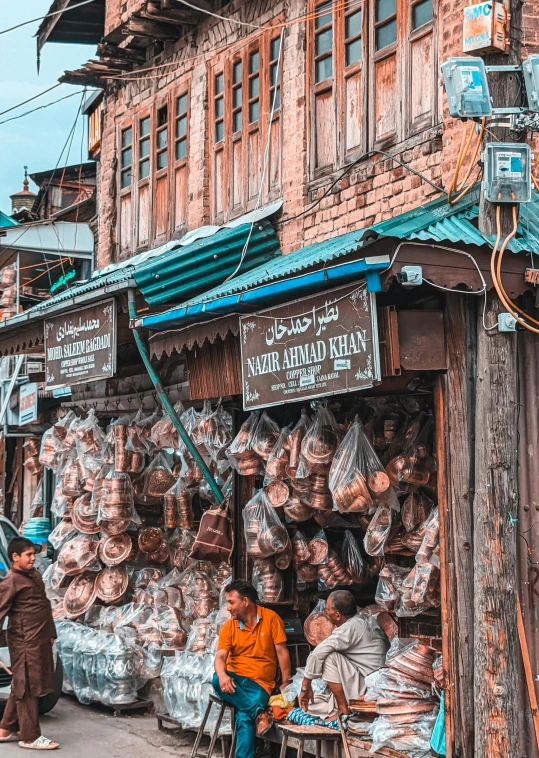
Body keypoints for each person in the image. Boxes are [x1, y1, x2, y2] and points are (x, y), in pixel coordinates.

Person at [213, 580, 292, 758]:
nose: (228, 608)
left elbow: (282, 653)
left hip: (260, 684)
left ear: (246, 601)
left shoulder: (271, 619)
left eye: (231, 602)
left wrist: (286, 683)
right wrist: (223, 674)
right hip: (236, 682)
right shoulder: (229, 627)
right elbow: (220, 657)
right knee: (216, 679)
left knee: (243, 716)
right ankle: (259, 713)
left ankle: (254, 714)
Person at [0, 537, 59, 750]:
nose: (33, 558)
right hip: (24, 641)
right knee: (27, 686)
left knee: (20, 684)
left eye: (34, 554)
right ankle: (30, 736)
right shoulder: (11, 581)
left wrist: (51, 633)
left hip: (40, 638)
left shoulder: (33, 576)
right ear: (15, 557)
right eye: (29, 555)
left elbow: (43, 605)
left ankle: (6, 728)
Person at [298, 590, 389, 719]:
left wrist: (305, 686)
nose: (325, 612)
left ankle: (343, 709)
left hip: (369, 690)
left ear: (337, 615)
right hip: (373, 683)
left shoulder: (351, 627)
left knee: (329, 656)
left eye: (327, 609)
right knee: (314, 705)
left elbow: (317, 653)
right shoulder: (366, 619)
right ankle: (342, 705)